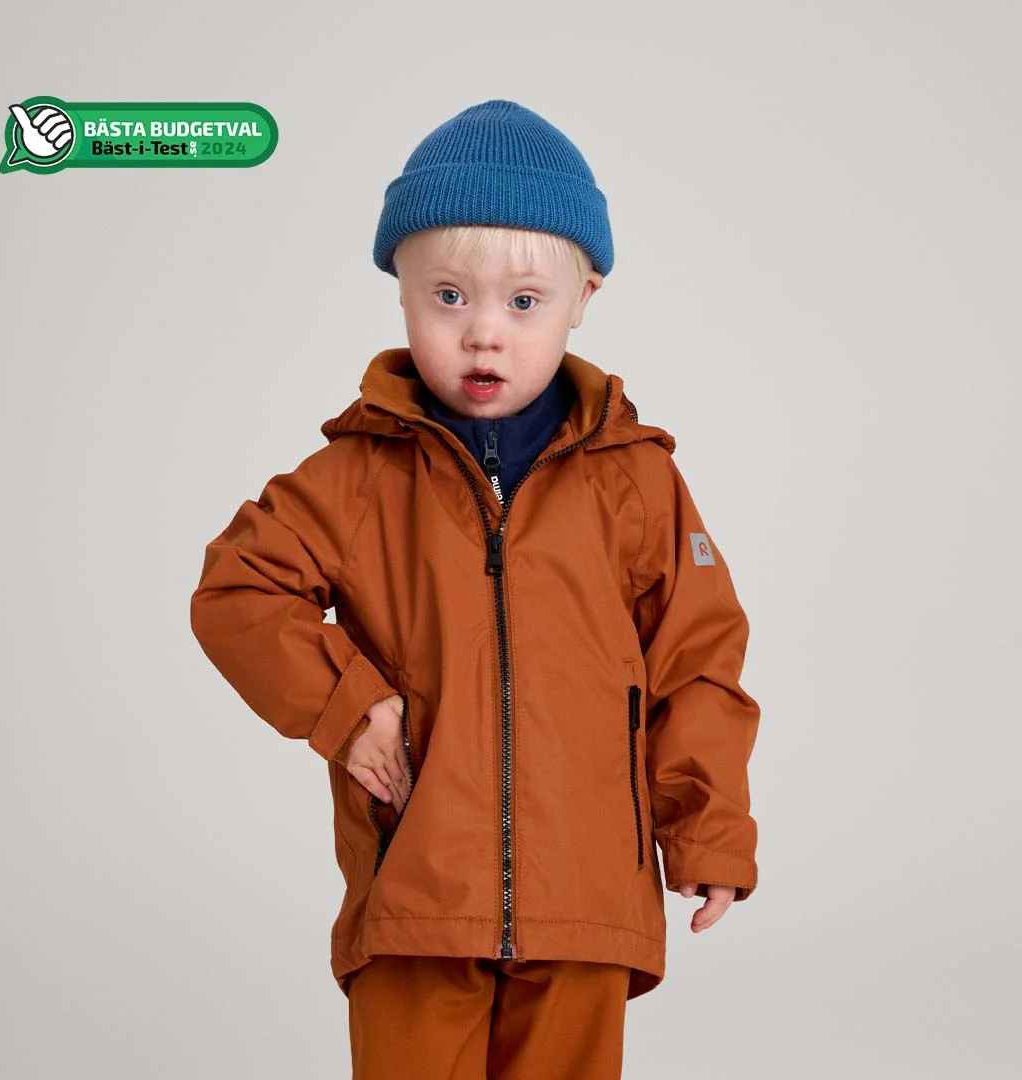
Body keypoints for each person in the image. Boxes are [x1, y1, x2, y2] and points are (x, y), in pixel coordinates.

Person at [190, 98, 760, 1080]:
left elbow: (696, 658)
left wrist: (706, 830)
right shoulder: (359, 476)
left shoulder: (636, 482)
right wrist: (350, 707)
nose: (484, 334)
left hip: (587, 902)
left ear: (585, 295)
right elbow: (239, 588)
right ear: (402, 294)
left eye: (524, 302)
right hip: (415, 896)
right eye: (448, 296)